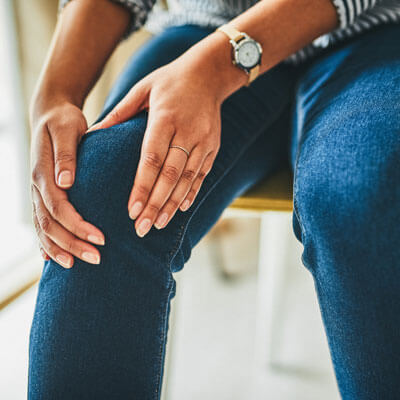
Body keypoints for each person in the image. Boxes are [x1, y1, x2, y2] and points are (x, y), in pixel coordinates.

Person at [28, 0, 400, 398]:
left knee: (362, 203)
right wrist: (55, 96)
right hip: (204, 28)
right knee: (98, 202)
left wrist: (219, 65)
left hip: (375, 33)